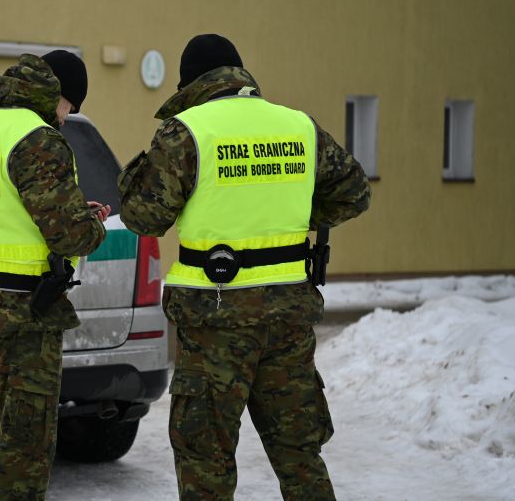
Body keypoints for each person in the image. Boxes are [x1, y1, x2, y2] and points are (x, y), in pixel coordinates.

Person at [117, 34, 371, 500]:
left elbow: (143, 217)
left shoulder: (187, 132)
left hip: (215, 321)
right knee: (300, 458)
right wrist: (297, 217)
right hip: (288, 317)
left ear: (191, 83)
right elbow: (354, 192)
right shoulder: (298, 126)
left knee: (205, 462)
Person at [0, 50, 110, 500]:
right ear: (59, 94)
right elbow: (72, 236)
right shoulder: (38, 139)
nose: (66, 118)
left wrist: (68, 209)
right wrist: (89, 223)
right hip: (25, 316)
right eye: (70, 107)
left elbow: (8, 208)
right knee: (23, 453)